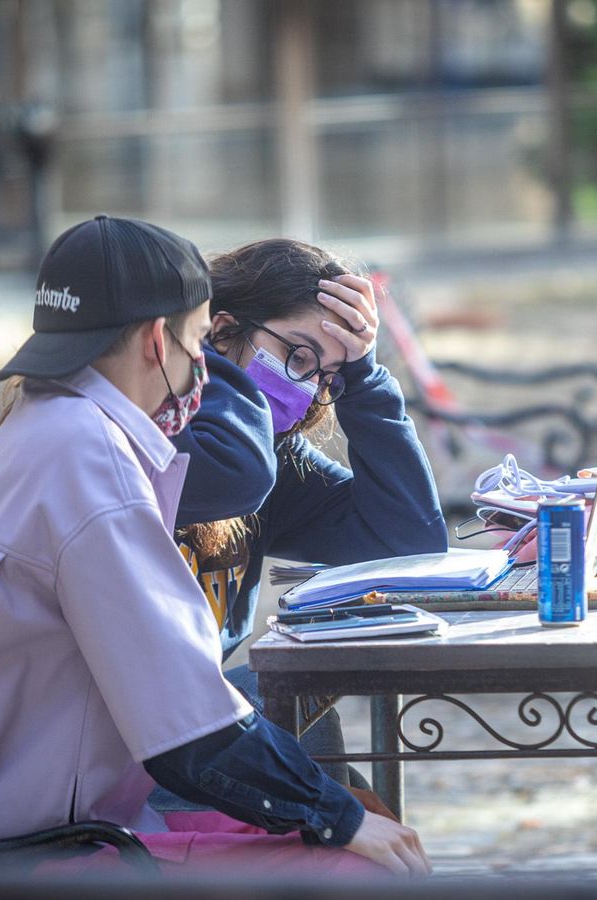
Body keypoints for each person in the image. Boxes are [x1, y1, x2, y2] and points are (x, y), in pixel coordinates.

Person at [0, 215, 430, 878]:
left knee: (329, 783)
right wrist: (338, 819)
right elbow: (186, 725)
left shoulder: (60, 421)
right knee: (364, 866)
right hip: (41, 847)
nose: (200, 381)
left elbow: (408, 535)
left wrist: (364, 377)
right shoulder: (95, 461)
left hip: (71, 800)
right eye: (199, 348)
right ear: (163, 341)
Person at [154, 237, 449, 806]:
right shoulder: (151, 435)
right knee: (291, 717)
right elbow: (234, 474)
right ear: (221, 330)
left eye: (326, 374)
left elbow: (408, 540)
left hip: (190, 728)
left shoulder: (273, 456)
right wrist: (217, 372)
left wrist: (365, 379)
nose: (308, 387)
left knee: (330, 766)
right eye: (298, 356)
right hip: (121, 753)